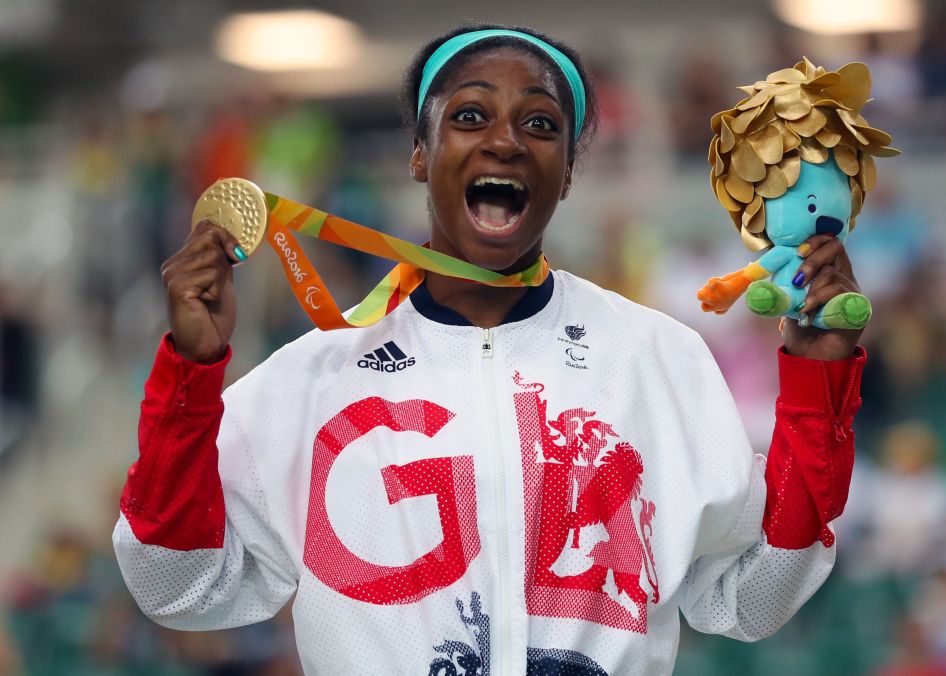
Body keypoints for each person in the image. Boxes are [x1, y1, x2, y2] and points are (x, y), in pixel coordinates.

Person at [113, 23, 866, 675]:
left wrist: (820, 381)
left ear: (567, 172)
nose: (505, 139)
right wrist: (189, 378)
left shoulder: (656, 359)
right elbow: (176, 585)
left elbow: (753, 597)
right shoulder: (309, 380)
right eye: (470, 115)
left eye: (541, 125)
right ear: (419, 153)